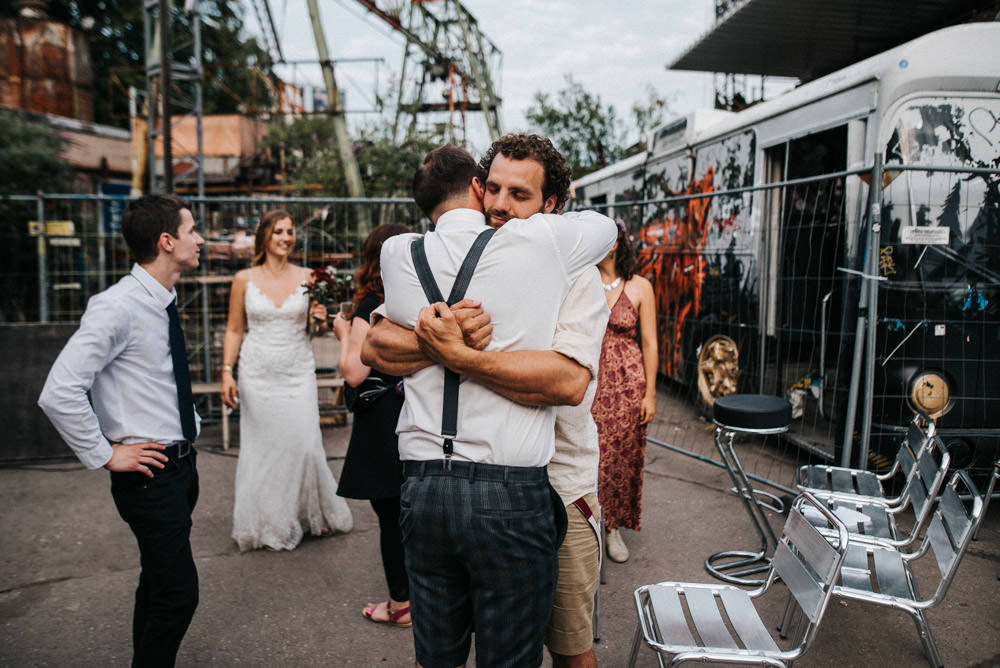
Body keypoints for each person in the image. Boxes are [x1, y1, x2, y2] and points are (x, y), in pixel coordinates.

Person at [363, 139, 615, 668]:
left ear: (550, 208)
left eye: (518, 193)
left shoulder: (573, 270)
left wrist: (458, 354)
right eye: (493, 188)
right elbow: (376, 343)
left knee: (570, 650)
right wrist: (443, 336)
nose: (499, 204)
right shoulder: (456, 256)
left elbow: (567, 382)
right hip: (467, 484)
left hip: (560, 486)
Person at [38, 194, 205, 667]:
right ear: (167, 241)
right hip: (147, 476)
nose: (200, 239)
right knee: (178, 594)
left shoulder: (163, 301)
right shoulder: (117, 307)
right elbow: (59, 390)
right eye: (192, 230)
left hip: (178, 467)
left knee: (156, 583)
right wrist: (105, 453)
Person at [220, 210, 353, 551]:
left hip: (297, 371)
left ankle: (310, 512)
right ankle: (270, 520)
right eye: (278, 231)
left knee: (306, 444)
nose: (285, 237)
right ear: (265, 236)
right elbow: (235, 329)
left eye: (290, 232)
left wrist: (320, 320)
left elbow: (315, 329)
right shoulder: (243, 279)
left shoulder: (309, 277)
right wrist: (226, 371)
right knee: (264, 448)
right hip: (257, 373)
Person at [330, 222, 412, 627]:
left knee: (390, 514)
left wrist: (343, 332)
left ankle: (401, 605)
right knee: (412, 514)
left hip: (382, 420)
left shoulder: (370, 307)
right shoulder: (414, 300)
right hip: (414, 413)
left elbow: (353, 373)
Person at [592, 221, 658, 563]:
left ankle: (613, 526)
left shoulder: (640, 286)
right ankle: (587, 522)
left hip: (627, 383)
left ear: (616, 244)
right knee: (590, 454)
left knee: (619, 455)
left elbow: (649, 343)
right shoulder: (583, 282)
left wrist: (650, 395)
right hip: (590, 381)